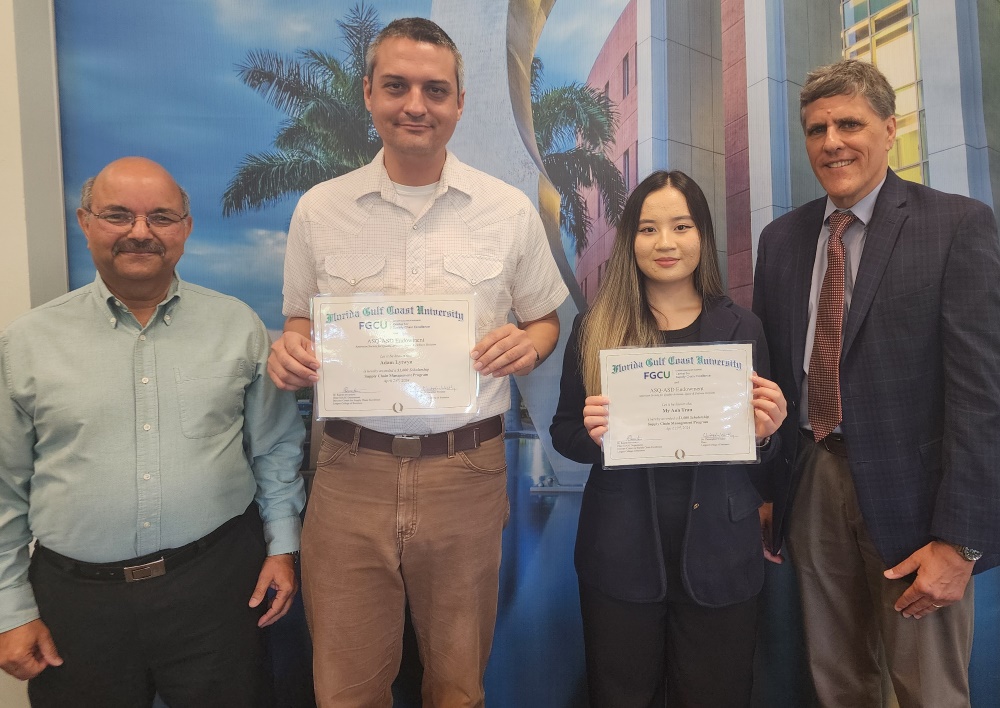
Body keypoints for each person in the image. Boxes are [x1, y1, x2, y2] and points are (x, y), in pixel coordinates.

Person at [266, 17, 568, 707]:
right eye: (397, 86)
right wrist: (290, 353)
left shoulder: (508, 210)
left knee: (458, 686)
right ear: (367, 92)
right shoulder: (319, 210)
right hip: (348, 472)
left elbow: (545, 318)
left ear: (460, 103)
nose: (416, 105)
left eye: (436, 90)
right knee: (345, 689)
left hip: (465, 472)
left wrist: (533, 342)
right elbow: (297, 323)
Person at [0, 157, 306, 707]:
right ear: (85, 221)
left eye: (161, 217)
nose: (141, 232)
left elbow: (276, 448)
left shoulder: (236, 327)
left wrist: (282, 548)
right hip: (76, 604)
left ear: (186, 228)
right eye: (118, 215)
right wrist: (9, 610)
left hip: (216, 589)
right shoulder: (25, 344)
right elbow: (3, 487)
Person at [752, 59, 1000, 707]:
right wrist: (770, 488)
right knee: (838, 683)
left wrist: (963, 540)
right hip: (812, 482)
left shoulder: (957, 225)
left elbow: (982, 399)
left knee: (930, 692)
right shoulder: (780, 241)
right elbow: (774, 381)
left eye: (849, 123)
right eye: (816, 128)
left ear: (890, 129)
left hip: (920, 508)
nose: (831, 140)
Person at [550, 170, 786, 707]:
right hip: (620, 548)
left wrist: (767, 433)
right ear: (630, 240)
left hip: (721, 551)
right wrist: (594, 434)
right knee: (620, 694)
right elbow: (564, 432)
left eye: (680, 226)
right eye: (648, 229)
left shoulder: (742, 329)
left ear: (702, 234)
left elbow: (762, 450)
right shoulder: (595, 328)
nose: (665, 243)